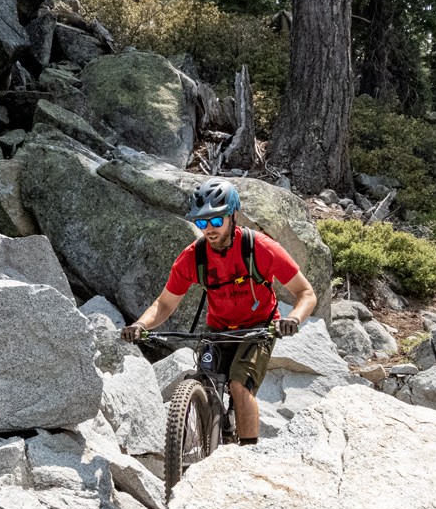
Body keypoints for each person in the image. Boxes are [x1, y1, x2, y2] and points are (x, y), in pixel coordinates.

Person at [123, 178, 317, 445]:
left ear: (232, 215)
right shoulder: (193, 257)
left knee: (239, 385)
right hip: (219, 328)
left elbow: (306, 293)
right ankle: (206, 441)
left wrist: (293, 319)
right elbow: (165, 304)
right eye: (202, 223)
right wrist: (141, 325)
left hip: (259, 326)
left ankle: (246, 453)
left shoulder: (259, 247)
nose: (209, 230)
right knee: (206, 380)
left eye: (215, 221)